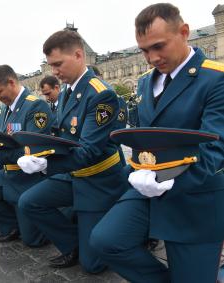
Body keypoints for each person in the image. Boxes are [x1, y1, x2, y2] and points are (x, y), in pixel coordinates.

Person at [89, 3, 224, 282]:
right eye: (144, 50)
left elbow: (216, 148)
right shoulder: (143, 82)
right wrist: (136, 173)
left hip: (195, 194)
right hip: (148, 188)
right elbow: (141, 136)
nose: (151, 58)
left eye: (158, 46)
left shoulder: (216, 79)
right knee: (105, 241)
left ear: (184, 32)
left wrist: (168, 180)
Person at [16, 30, 127, 271]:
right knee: (29, 202)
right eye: (50, 65)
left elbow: (88, 151)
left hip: (97, 179)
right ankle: (73, 243)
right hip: (72, 173)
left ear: (78, 55)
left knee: (93, 266)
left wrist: (47, 164)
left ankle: (120, 231)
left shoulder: (101, 94)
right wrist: (38, 151)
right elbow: (61, 134)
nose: (54, 71)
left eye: (57, 64)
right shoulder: (67, 91)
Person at [0, 65, 54, 245]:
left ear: (11, 82)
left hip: (27, 177)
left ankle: (58, 215)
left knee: (33, 241)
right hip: (7, 172)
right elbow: (3, 140)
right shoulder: (4, 109)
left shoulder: (35, 105)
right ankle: (14, 225)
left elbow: (32, 150)